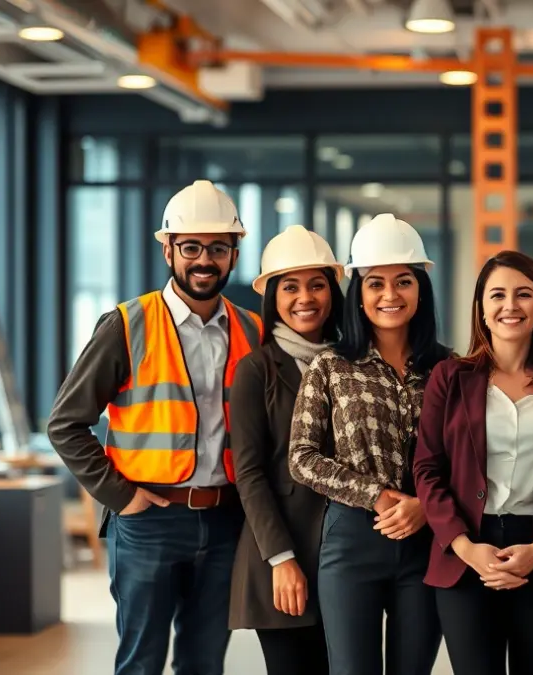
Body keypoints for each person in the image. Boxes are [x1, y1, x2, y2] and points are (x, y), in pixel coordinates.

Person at [47, 180, 262, 675]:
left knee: (204, 662)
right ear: (168, 249)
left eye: (218, 248)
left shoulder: (251, 329)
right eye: (190, 247)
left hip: (227, 518)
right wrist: (122, 498)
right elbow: (66, 422)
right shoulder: (127, 324)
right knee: (140, 662)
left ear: (233, 254)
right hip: (149, 519)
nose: (204, 260)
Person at [288, 213, 450, 675]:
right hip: (351, 541)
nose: (390, 295)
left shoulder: (448, 369)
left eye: (403, 281)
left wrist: (423, 504)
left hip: (425, 540)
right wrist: (376, 495)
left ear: (421, 289)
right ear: (358, 293)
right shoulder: (331, 366)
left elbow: (467, 456)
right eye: (375, 283)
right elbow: (301, 458)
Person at [413, 250, 533, 675]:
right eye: (497, 295)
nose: (510, 306)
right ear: (481, 309)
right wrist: (465, 547)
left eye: (524, 294)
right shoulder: (450, 377)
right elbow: (427, 469)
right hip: (465, 551)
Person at [227, 225, 345, 675]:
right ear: (272, 296)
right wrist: (282, 559)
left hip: (341, 551)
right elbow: (250, 473)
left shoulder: (351, 362)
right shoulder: (257, 370)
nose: (305, 298)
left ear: (332, 292)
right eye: (290, 287)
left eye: (317, 285)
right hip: (282, 554)